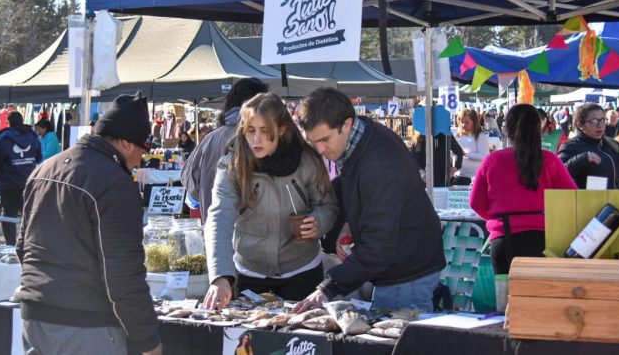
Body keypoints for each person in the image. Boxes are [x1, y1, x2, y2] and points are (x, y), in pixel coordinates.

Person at [17, 93, 161, 355]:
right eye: (143, 149)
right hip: (85, 324)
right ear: (128, 144)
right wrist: (147, 339)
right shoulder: (115, 184)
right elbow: (122, 273)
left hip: (35, 314)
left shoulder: (44, 169)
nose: (142, 158)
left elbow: (23, 246)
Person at [294, 88, 445, 313]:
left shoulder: (378, 164)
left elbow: (379, 247)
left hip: (406, 274)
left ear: (346, 124)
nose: (320, 149)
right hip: (404, 266)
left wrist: (328, 288)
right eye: (313, 141)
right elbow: (366, 196)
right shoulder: (359, 137)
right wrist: (350, 223)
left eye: (325, 139)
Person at [203, 93, 337, 309]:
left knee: (299, 339)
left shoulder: (308, 160)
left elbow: (328, 206)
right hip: (249, 273)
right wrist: (220, 275)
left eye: (265, 131)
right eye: (250, 130)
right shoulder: (233, 163)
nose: (256, 139)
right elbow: (220, 215)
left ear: (282, 129)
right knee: (247, 341)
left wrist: (318, 222)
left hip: (302, 272)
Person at [470, 104, 577, 275]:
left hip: (504, 239)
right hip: (544, 240)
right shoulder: (549, 160)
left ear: (506, 129)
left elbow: (476, 203)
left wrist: (500, 218)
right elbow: (572, 199)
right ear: (539, 128)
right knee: (540, 298)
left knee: (507, 300)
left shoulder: (493, 160)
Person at [181, 78, 269, 223]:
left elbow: (191, 186)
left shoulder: (210, 138)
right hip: (251, 238)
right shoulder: (261, 140)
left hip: (212, 232)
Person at [0, 111, 41, 245]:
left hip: (8, 183)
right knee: (29, 214)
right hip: (29, 182)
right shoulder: (33, 137)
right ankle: (28, 244)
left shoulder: (4, 139)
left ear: (8, 123)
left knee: (9, 215)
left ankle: (11, 245)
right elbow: (39, 158)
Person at [558, 103, 619, 189]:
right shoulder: (570, 147)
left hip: (616, 201)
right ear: (579, 125)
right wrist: (582, 159)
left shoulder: (613, 144)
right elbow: (558, 176)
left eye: (603, 120)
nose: (600, 125)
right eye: (594, 121)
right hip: (585, 201)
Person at [452, 108, 489, 186]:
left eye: (467, 122)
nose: (463, 125)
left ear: (474, 122)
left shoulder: (480, 136)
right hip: (458, 175)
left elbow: (484, 156)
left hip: (475, 178)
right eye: (461, 122)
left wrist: (465, 154)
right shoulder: (457, 135)